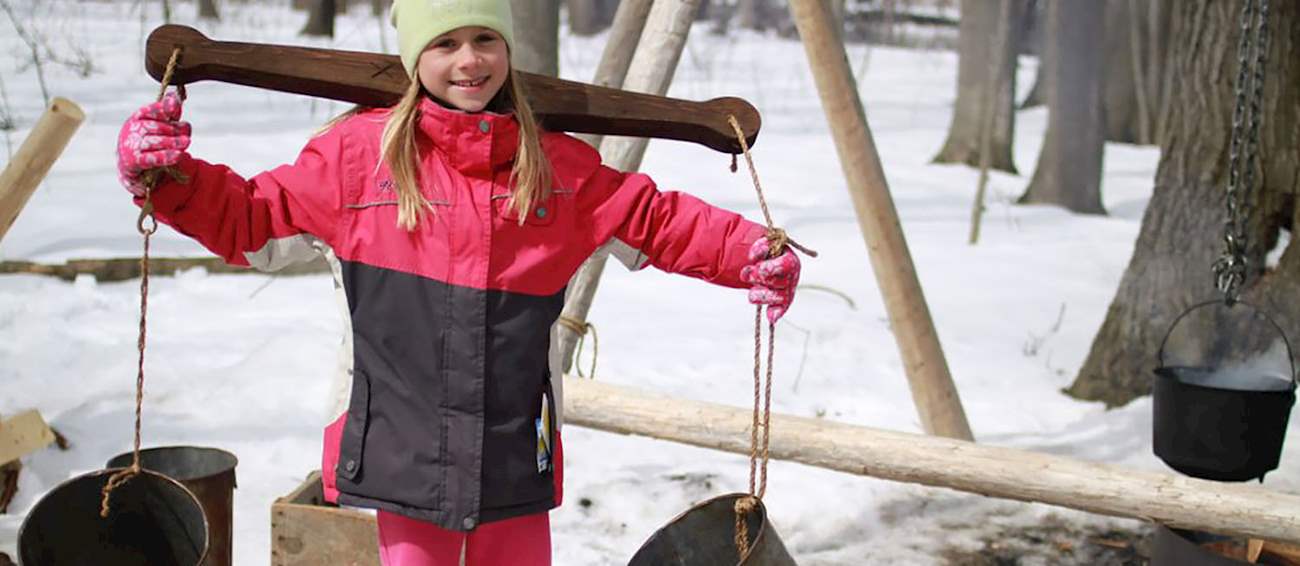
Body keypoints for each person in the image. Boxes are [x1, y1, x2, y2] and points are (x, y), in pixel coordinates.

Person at [115, 0, 801, 563]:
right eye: (445, 43)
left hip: (513, 454)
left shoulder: (555, 169)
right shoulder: (359, 158)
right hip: (399, 451)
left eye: (483, 38)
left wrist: (747, 252)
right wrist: (167, 177)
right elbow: (248, 217)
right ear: (415, 57)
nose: (469, 60)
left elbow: (654, 218)